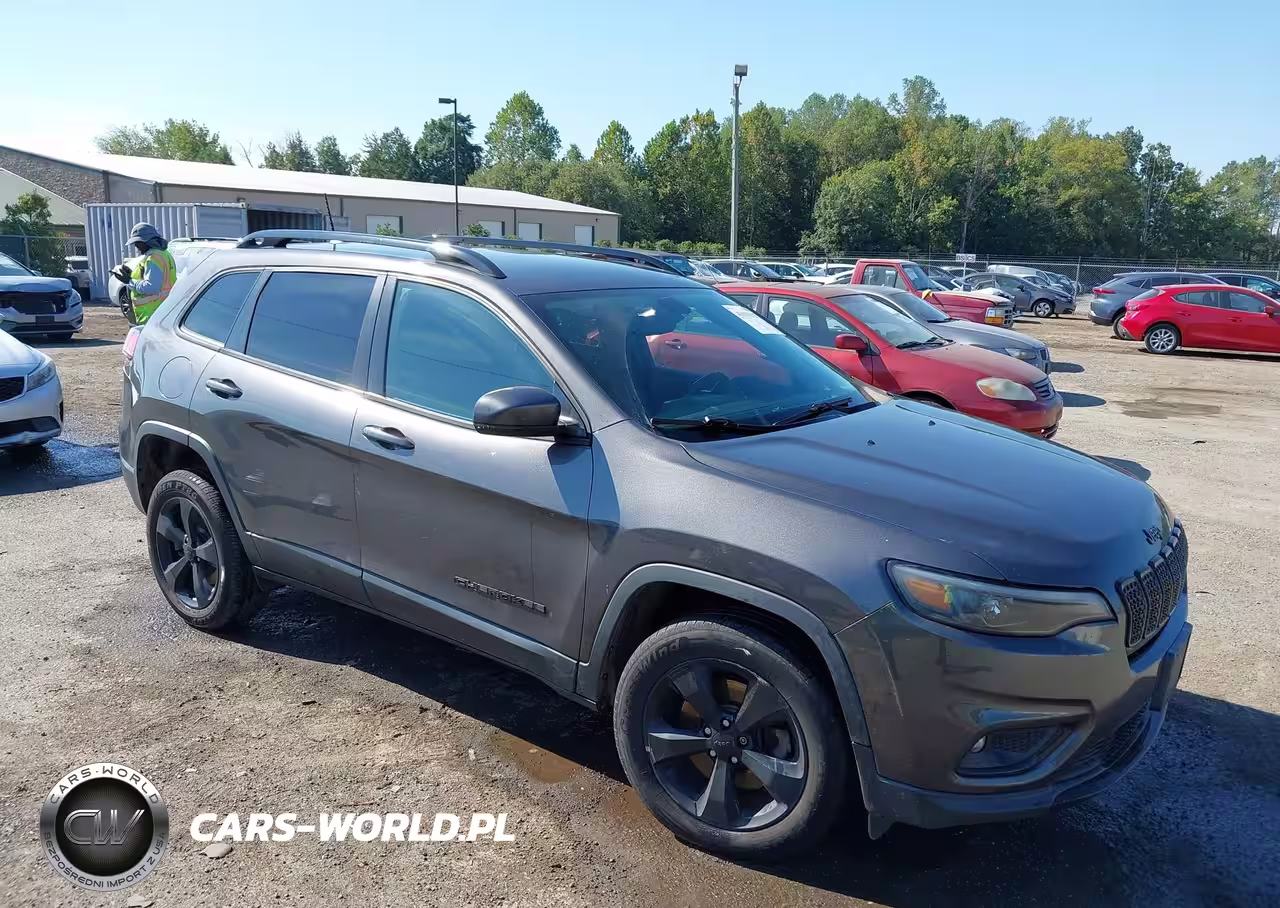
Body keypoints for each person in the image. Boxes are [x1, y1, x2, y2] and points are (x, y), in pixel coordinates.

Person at [112, 223, 177, 325]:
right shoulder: (164, 254)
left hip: (152, 314)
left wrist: (129, 281)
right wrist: (131, 275)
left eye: (138, 242)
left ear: (146, 241)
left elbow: (151, 287)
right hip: (163, 311)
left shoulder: (153, 258)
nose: (136, 246)